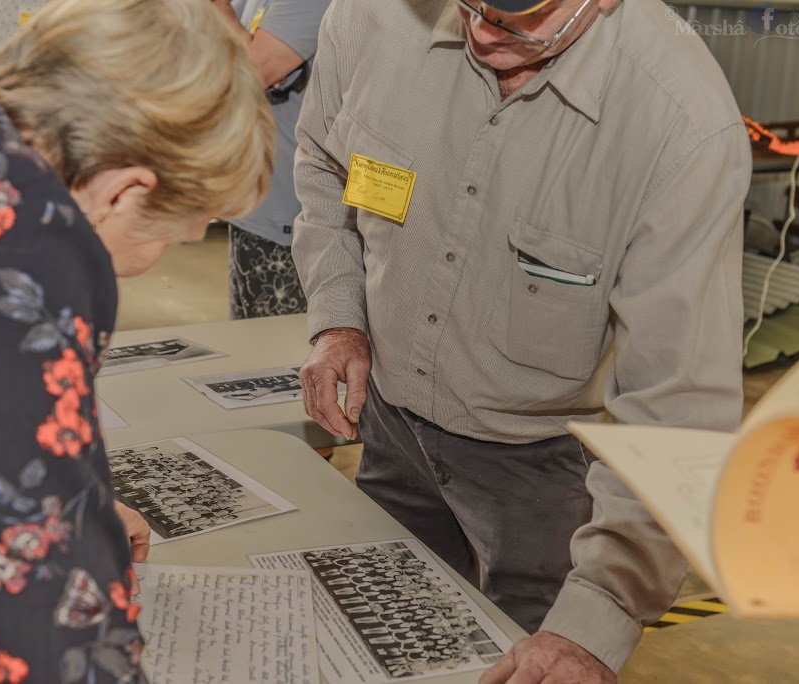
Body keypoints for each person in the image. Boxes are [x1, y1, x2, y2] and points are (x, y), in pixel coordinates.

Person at [293, 0, 751, 681]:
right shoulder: (374, 17)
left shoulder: (680, 122)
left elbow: (677, 403)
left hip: (541, 472)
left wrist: (601, 612)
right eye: (470, 4)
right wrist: (340, 316)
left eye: (524, 13)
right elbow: (325, 167)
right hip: (388, 425)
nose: (481, 29)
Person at [0, 0, 273, 680]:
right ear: (124, 189)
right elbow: (27, 616)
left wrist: (71, 499)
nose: (151, 262)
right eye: (171, 234)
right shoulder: (10, 232)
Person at [210, 0, 332, 320]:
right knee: (245, 348)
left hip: (292, 223)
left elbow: (252, 69)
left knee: (276, 354)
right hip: (254, 203)